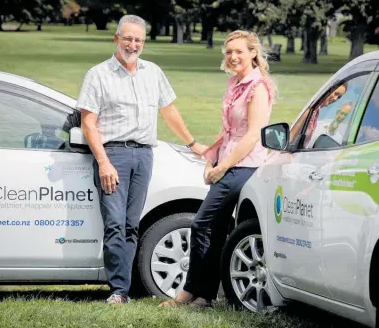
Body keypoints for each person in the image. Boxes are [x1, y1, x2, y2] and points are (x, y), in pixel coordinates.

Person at [76, 15, 207, 305]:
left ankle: (125, 286)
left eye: (138, 40)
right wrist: (104, 161)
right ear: (116, 39)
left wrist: (192, 142)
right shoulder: (98, 75)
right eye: (128, 38)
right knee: (114, 223)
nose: (133, 45)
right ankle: (118, 290)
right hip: (114, 155)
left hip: (145, 155)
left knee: (132, 225)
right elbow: (88, 123)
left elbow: (169, 112)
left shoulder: (153, 72)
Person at [159, 30, 277, 308]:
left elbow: (251, 136)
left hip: (244, 165)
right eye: (228, 52)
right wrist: (211, 157)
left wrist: (222, 167)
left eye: (239, 51)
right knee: (215, 228)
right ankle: (205, 296)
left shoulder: (258, 87)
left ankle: (189, 291)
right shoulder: (235, 84)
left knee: (201, 224)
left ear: (252, 53)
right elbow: (228, 132)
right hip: (228, 161)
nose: (233, 57)